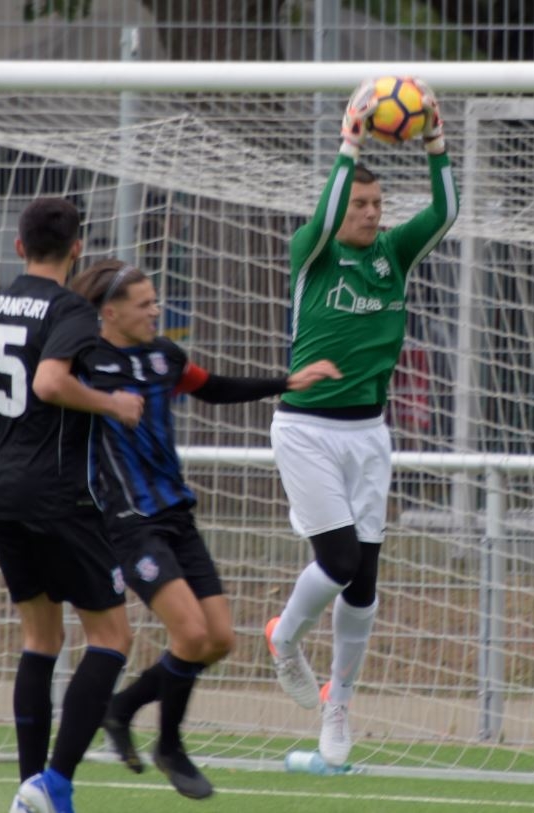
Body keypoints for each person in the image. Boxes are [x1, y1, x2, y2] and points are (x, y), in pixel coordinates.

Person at [68, 259, 340, 799]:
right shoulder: (84, 361)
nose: (155, 310)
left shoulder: (165, 357)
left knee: (218, 640)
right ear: (110, 311)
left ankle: (121, 708)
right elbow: (47, 389)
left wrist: (286, 380)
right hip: (130, 524)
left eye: (155, 301)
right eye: (144, 304)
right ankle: (169, 745)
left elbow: (212, 386)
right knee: (190, 635)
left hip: (176, 516)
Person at [0, 197, 144, 813]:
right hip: (56, 491)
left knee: (41, 638)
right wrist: (111, 404)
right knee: (112, 637)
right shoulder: (69, 308)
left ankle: (28, 791)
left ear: (18, 247)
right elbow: (48, 383)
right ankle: (54, 784)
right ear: (76, 249)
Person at [265, 77, 459, 767]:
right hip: (307, 430)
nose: (374, 213)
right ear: (337, 206)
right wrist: (348, 145)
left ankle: (337, 706)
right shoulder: (311, 253)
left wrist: (436, 143)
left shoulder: (392, 255)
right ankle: (285, 638)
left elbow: (446, 210)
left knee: (366, 580)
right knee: (339, 560)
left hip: (369, 435)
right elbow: (321, 218)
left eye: (379, 203)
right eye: (362, 203)